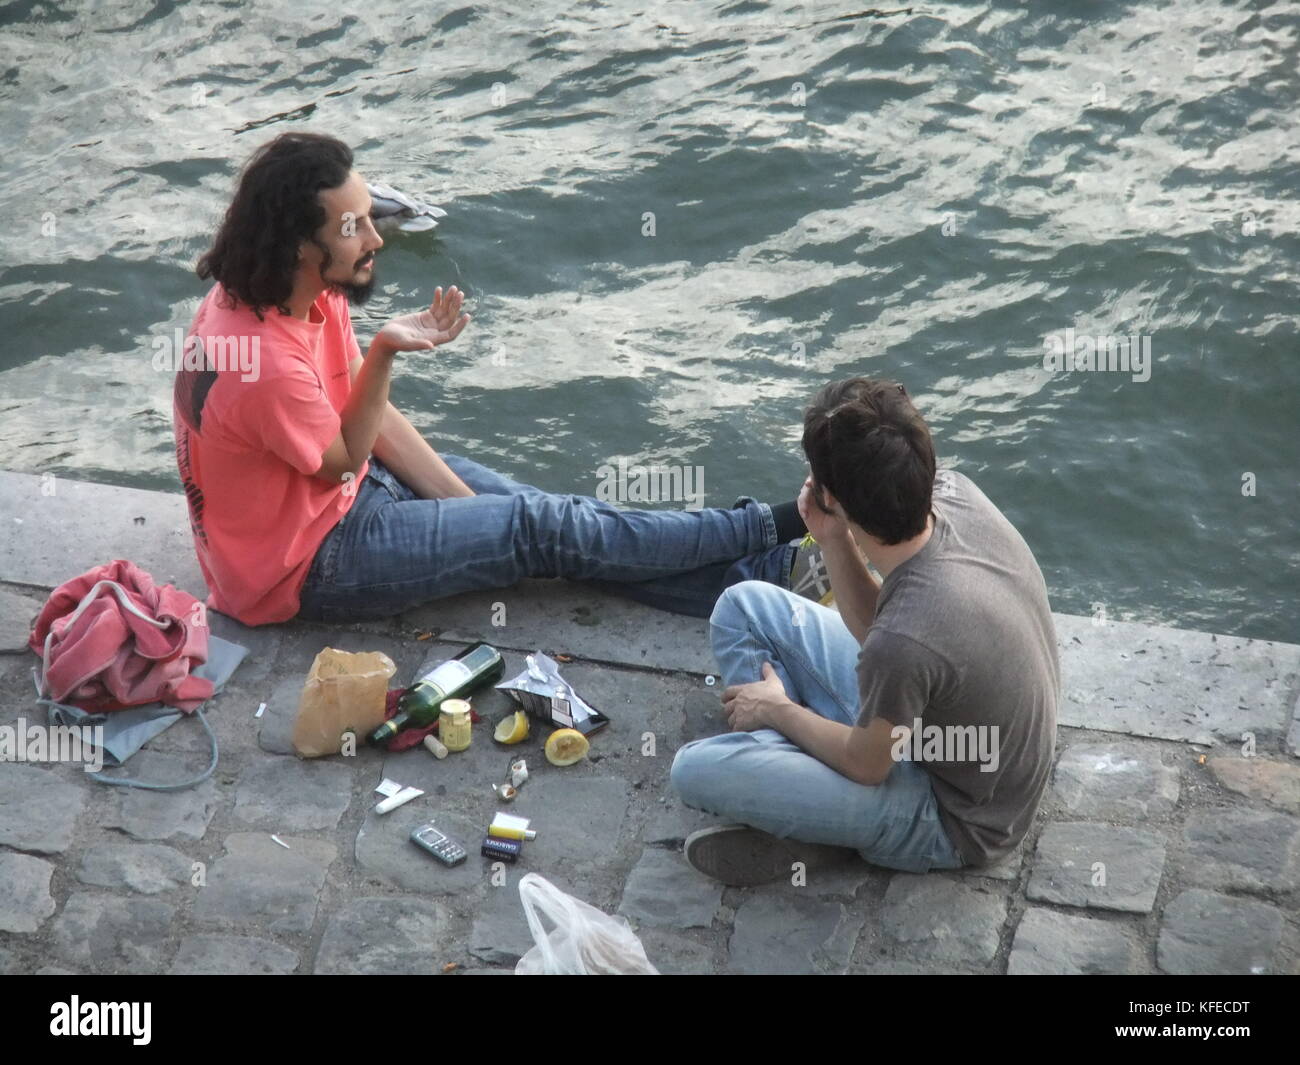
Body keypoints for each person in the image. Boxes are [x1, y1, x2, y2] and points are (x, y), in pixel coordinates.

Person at [171, 132, 813, 627]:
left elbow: (364, 423)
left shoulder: (300, 291)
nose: (377, 239)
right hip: (308, 565)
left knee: (553, 526)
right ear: (299, 246)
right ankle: (769, 527)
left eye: (369, 217)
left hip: (345, 495)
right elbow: (340, 461)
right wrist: (386, 354)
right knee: (545, 529)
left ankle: (768, 583)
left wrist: (476, 515)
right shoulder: (260, 363)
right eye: (353, 227)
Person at [672, 378, 1060, 883]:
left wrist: (777, 709)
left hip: (960, 816)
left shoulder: (906, 639)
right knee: (741, 607)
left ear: (830, 495)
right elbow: (885, 631)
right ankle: (813, 806)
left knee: (692, 770)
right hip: (941, 734)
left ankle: (823, 827)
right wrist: (832, 539)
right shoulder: (957, 494)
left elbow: (866, 764)